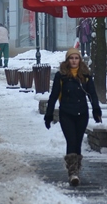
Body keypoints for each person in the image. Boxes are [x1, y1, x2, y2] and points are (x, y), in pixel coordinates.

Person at [44, 47, 102, 186]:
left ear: (80, 60)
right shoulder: (61, 76)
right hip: (66, 113)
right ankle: (73, 173)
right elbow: (53, 96)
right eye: (71, 58)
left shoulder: (86, 76)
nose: (74, 61)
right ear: (67, 60)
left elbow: (92, 94)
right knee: (71, 140)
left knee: (78, 142)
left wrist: (96, 110)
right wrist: (49, 114)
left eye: (76, 58)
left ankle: (76, 169)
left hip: (82, 113)